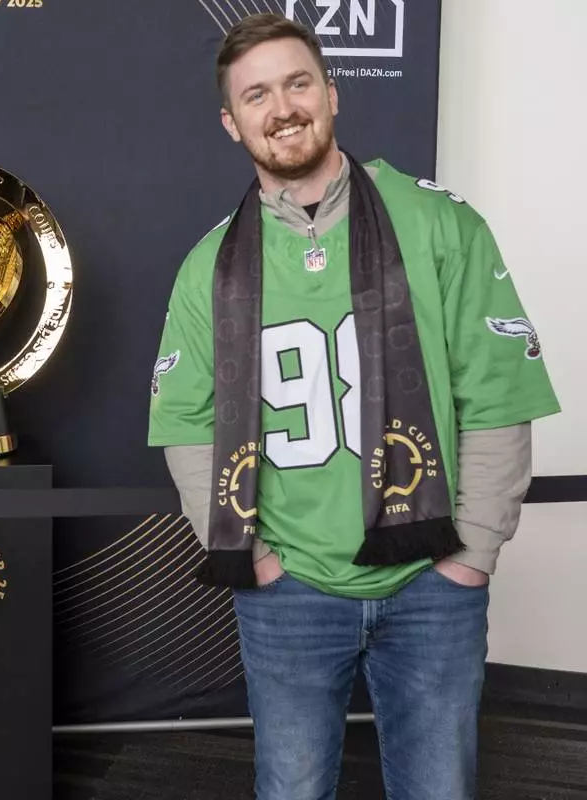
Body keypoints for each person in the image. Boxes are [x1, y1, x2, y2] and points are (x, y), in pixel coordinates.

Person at [148, 12, 559, 800]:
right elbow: (187, 426)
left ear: (332, 94)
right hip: (289, 583)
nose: (283, 107)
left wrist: (471, 552)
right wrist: (255, 555)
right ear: (233, 124)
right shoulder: (211, 264)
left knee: (439, 789)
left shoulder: (441, 223)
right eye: (257, 94)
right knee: (292, 789)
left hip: (429, 577)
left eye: (299, 82)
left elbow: (499, 394)